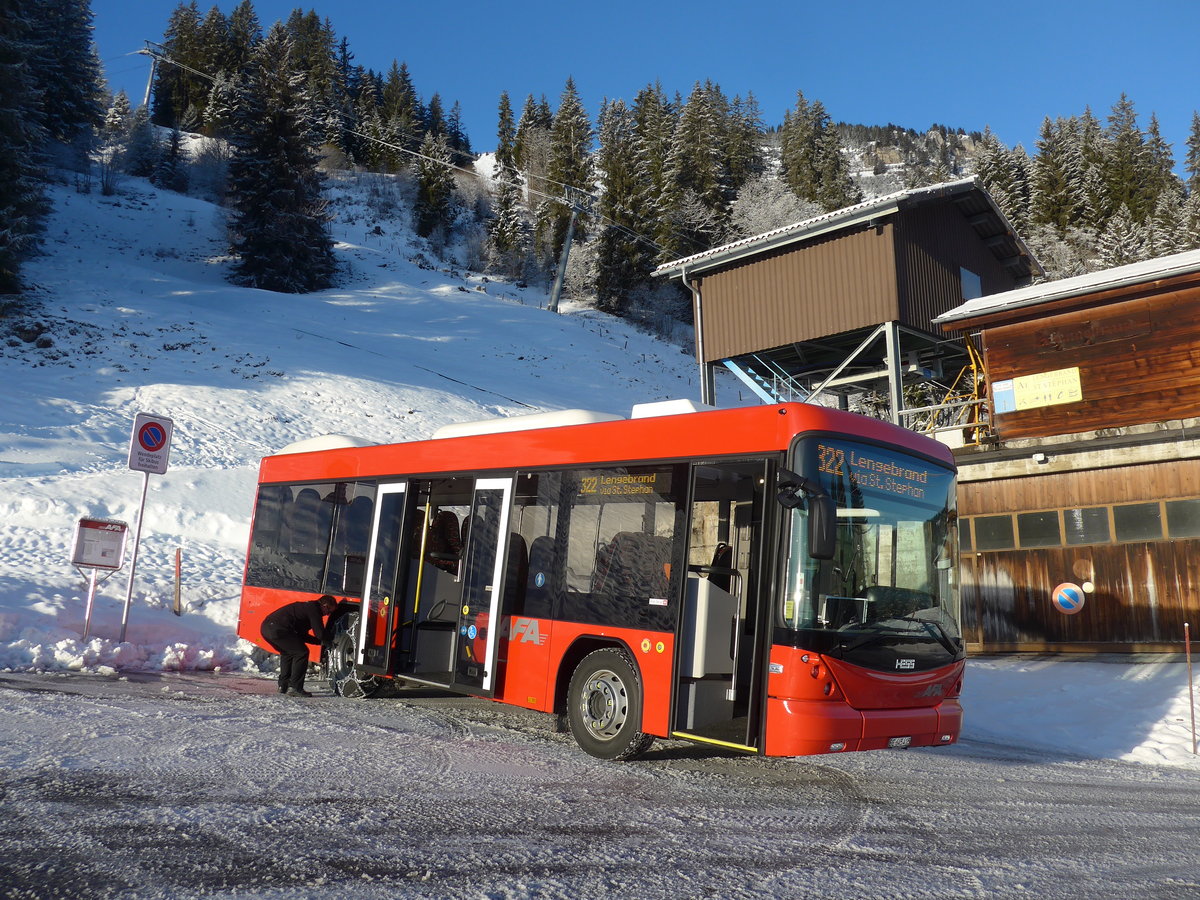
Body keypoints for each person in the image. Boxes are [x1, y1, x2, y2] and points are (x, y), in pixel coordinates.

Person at [260, 594, 338, 697]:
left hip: (266, 628)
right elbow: (320, 633)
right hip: (278, 629)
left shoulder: (306, 609)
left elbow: (302, 636)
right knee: (301, 652)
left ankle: (284, 685)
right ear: (324, 605)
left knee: (287, 652)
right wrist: (331, 638)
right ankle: (295, 688)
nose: (327, 615)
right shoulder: (314, 609)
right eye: (329, 611)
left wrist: (321, 643)